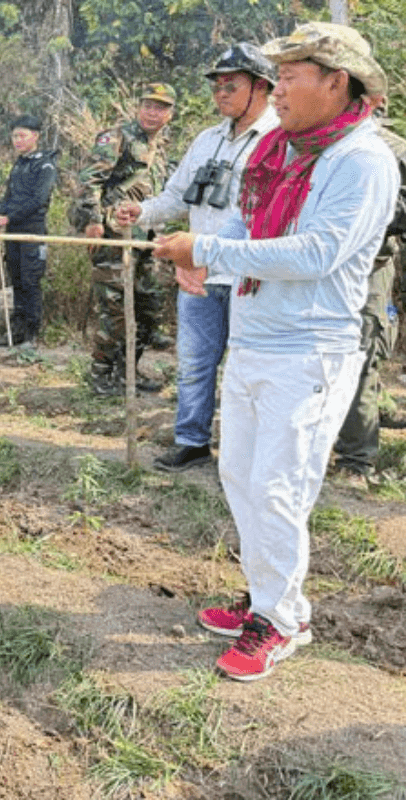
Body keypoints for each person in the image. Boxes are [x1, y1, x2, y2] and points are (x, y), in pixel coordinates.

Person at [154, 22, 398, 681]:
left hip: (310, 350)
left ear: (335, 82)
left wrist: (206, 251)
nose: (279, 89)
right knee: (240, 475)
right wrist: (204, 262)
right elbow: (246, 223)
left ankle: (284, 622)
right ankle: (264, 597)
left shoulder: (362, 159)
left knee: (279, 486)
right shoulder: (282, 152)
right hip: (256, 337)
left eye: (290, 77)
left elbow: (318, 252)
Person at [116, 45, 280, 472]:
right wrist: (142, 212)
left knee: (249, 370)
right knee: (194, 362)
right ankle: (191, 442)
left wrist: (208, 251)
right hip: (198, 276)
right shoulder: (207, 139)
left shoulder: (280, 139)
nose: (221, 94)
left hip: (250, 277)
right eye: (217, 86)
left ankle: (248, 456)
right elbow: (174, 195)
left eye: (232, 85)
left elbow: (259, 213)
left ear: (261, 87)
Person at [71, 83, 176, 395]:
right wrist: (92, 222)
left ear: (169, 114)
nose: (152, 112)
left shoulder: (161, 150)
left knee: (148, 308)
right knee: (115, 310)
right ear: (138, 107)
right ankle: (101, 374)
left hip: (147, 240)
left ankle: (127, 371)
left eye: (160, 107)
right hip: (115, 236)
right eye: (147, 105)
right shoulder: (117, 137)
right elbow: (89, 178)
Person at [331, 100, 406, 485]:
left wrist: (364, 214)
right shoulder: (321, 143)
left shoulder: (392, 149)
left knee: (363, 355)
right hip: (325, 268)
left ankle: (357, 459)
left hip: (371, 266)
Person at [0, 114, 59, 346]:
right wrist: (0, 215)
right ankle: (16, 333)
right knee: (17, 281)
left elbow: (39, 200)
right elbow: (10, 196)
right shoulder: (19, 164)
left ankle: (31, 334)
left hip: (32, 231)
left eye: (22, 136)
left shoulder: (45, 164)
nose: (17, 140)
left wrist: (9, 216)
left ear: (35, 136)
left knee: (31, 282)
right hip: (13, 231)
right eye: (14, 136)